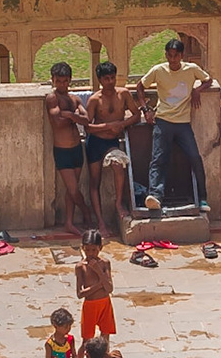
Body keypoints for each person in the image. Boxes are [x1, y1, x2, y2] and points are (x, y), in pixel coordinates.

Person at [138, 39, 213, 214]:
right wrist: (145, 109)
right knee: (158, 159)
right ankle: (155, 195)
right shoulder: (158, 70)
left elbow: (208, 80)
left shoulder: (191, 69)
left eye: (176, 56)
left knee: (194, 157)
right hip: (163, 121)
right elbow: (140, 87)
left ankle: (202, 197)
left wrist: (197, 90)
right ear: (166, 55)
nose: (173, 60)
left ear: (182, 55)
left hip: (183, 123)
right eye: (170, 56)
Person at [83, 61, 138, 233]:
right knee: (94, 181)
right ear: (100, 80)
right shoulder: (95, 100)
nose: (110, 82)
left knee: (118, 164)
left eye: (113, 78)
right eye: (106, 79)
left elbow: (136, 115)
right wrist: (108, 126)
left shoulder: (124, 94)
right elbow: (87, 127)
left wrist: (122, 124)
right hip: (95, 142)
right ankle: (100, 221)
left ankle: (118, 202)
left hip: (112, 142)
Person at [45, 62, 91, 230]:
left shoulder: (74, 99)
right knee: (73, 189)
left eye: (65, 81)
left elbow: (86, 120)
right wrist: (75, 117)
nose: (62, 85)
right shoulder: (53, 98)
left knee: (72, 189)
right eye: (58, 81)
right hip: (62, 150)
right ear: (53, 80)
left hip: (76, 149)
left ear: (70, 80)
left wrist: (70, 115)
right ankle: (86, 212)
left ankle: (69, 222)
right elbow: (57, 122)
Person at [76, 229, 116, 343]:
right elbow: (80, 294)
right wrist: (99, 285)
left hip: (105, 303)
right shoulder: (80, 267)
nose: (90, 253)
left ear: (100, 248)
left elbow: (109, 288)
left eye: (94, 250)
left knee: (105, 337)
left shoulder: (105, 263)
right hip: (90, 305)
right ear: (82, 248)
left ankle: (105, 355)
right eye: (87, 250)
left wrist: (98, 271)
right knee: (87, 340)